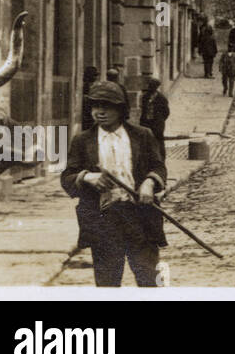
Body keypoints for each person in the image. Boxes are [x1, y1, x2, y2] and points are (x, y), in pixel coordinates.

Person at [61, 82, 168, 287]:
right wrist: (87, 177)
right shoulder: (83, 141)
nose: (99, 112)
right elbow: (67, 178)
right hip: (104, 221)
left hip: (140, 218)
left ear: (121, 109)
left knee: (150, 281)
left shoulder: (142, 135)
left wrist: (149, 182)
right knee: (107, 284)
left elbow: (159, 167)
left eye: (106, 106)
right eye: (95, 106)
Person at [137, 77, 169, 150]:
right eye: (150, 85)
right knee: (146, 142)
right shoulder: (145, 97)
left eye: (152, 86)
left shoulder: (161, 98)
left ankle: (160, 159)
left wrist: (159, 120)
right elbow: (143, 109)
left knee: (158, 142)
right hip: (146, 123)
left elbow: (166, 112)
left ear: (156, 87)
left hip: (157, 124)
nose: (150, 87)